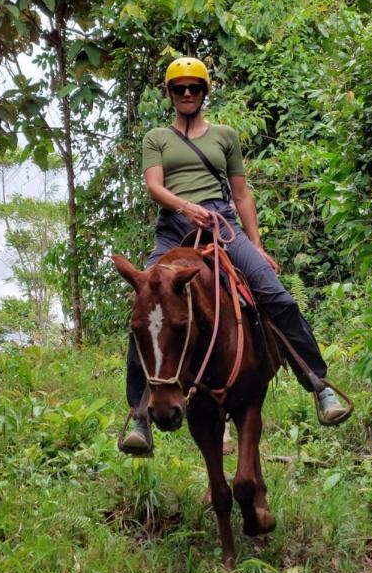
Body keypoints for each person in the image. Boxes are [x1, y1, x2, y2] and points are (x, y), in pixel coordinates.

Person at [121, 56, 349, 453]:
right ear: (170, 94)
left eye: (194, 87)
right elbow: (155, 187)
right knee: (145, 309)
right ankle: (140, 418)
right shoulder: (156, 137)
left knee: (275, 293)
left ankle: (318, 383)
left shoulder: (224, 135)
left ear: (204, 92)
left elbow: (241, 193)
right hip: (175, 226)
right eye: (179, 89)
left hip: (220, 223)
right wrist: (185, 207)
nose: (187, 94)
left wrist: (256, 245)